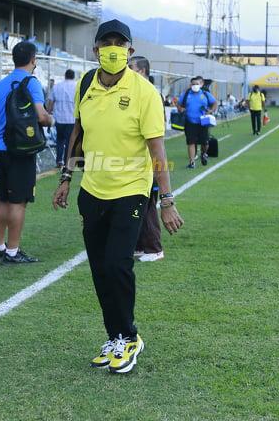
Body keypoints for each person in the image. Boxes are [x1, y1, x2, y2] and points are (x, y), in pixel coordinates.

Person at [52, 19, 183, 374]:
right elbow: (77, 133)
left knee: (117, 264)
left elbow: (157, 150)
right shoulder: (85, 84)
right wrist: (66, 176)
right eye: (105, 43)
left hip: (131, 192)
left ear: (129, 51)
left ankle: (129, 337)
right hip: (92, 190)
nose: (112, 49)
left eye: (119, 44)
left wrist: (167, 200)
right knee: (98, 269)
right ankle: (114, 336)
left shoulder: (145, 93)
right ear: (95, 51)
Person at [0, 41, 54, 264]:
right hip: (22, 150)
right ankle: (13, 251)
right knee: (18, 202)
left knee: (3, 199)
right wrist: (50, 119)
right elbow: (42, 116)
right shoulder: (32, 83)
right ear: (33, 60)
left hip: (4, 148)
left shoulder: (3, 83)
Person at [129, 55, 165, 263]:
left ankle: (154, 248)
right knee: (137, 202)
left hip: (148, 158)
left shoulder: (151, 94)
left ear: (142, 71)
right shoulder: (136, 92)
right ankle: (140, 246)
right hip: (134, 158)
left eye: (130, 67)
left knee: (148, 203)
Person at [178, 76, 217, 169]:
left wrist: (211, 110)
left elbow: (214, 102)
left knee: (205, 142)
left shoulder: (205, 94)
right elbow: (179, 104)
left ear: (200, 85)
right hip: (190, 121)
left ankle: (203, 154)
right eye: (193, 84)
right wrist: (180, 109)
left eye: (197, 84)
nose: (195, 85)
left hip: (203, 121)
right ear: (190, 85)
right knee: (191, 142)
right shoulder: (186, 94)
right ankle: (192, 162)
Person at [46, 69, 76, 167]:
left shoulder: (57, 87)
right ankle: (67, 161)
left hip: (59, 119)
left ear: (65, 76)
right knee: (69, 141)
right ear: (73, 76)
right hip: (71, 119)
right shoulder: (76, 87)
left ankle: (59, 161)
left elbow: (50, 103)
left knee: (59, 140)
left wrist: (48, 113)